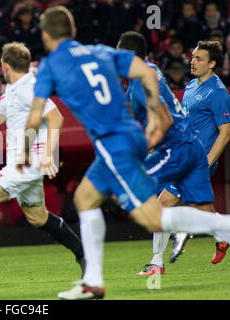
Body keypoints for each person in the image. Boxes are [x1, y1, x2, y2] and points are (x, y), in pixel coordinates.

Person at [22, 6, 230, 300]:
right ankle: (93, 281)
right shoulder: (99, 52)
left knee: (152, 216)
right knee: (85, 198)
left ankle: (224, 226)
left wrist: (25, 152)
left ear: (45, 35)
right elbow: (146, 70)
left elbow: (34, 118)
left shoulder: (50, 65)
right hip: (129, 138)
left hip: (115, 144)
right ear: (73, 32)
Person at [0, 42, 85, 286]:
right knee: (38, 218)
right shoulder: (14, 89)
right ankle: (83, 254)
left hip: (27, 164)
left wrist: (49, 154)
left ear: (6, 66)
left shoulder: (30, 88)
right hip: (23, 164)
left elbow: (56, 117)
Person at [116, 31, 216, 275]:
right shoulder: (145, 73)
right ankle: (158, 262)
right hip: (185, 146)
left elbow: (164, 119)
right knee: (199, 210)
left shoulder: (142, 81)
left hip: (179, 149)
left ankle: (158, 262)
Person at [164, 41, 230, 264]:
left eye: (198, 58)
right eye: (192, 57)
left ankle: (157, 264)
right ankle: (223, 236)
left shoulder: (218, 92)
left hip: (198, 161)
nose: (192, 62)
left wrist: (208, 161)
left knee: (163, 203)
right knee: (200, 208)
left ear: (212, 63)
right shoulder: (191, 86)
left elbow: (226, 132)